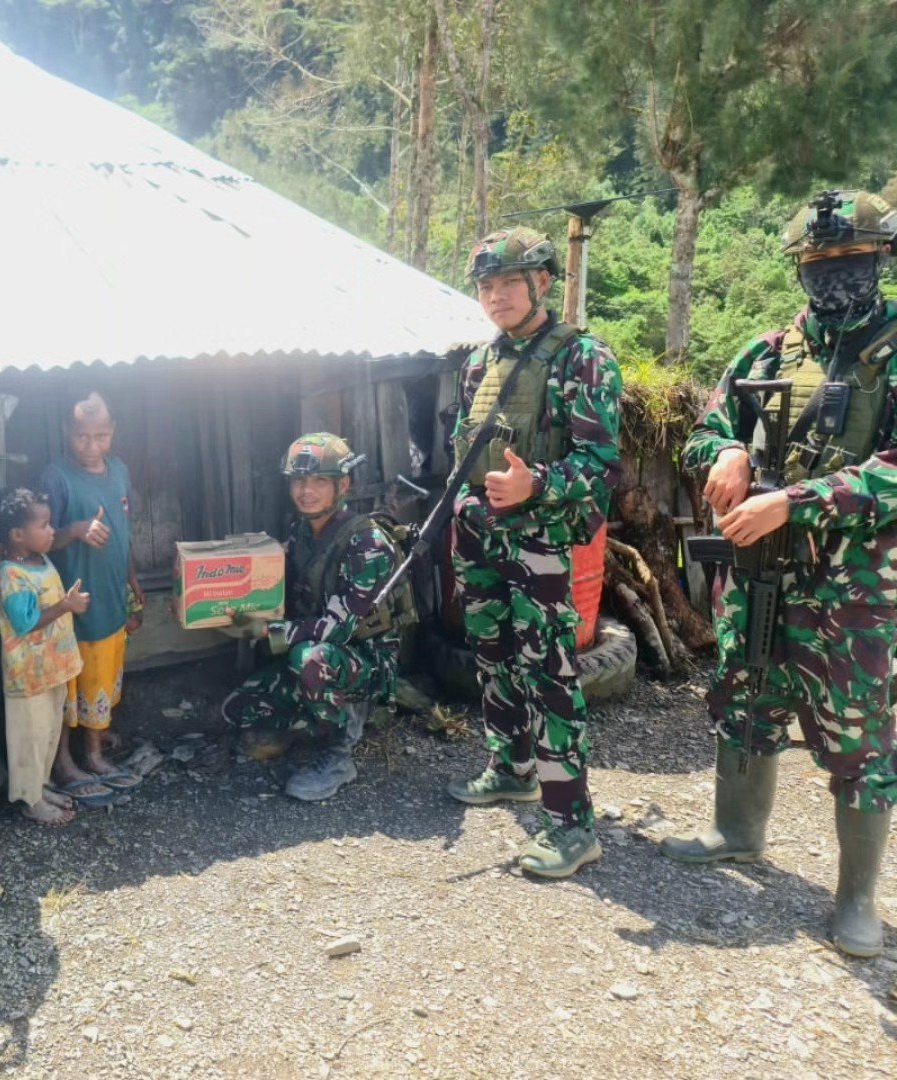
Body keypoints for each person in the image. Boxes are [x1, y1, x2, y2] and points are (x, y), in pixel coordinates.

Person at [663, 190, 897, 957]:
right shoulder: (765, 352)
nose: (835, 274)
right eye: (819, 262)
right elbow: (705, 430)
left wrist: (796, 501)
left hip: (855, 587)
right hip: (762, 571)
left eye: (851, 259)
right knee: (745, 694)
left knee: (859, 735)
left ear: (881, 258)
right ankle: (737, 831)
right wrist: (725, 453)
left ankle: (857, 897)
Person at [443, 227, 623, 879]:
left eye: (509, 283)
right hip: (482, 534)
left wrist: (535, 485)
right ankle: (511, 767)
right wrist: (463, 501)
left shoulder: (583, 358)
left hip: (541, 537)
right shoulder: (478, 363)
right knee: (491, 653)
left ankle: (572, 824)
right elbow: (464, 446)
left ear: (542, 283)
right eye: (486, 286)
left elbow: (600, 464)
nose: (496, 296)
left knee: (548, 672)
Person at [220, 433, 399, 802]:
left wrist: (268, 631)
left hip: (363, 661)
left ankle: (338, 751)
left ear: (343, 485)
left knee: (310, 660)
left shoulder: (367, 545)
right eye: (299, 481)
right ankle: (312, 720)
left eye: (318, 481)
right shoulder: (301, 533)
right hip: (318, 653)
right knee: (239, 709)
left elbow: (338, 628)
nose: (306, 491)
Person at [40, 392, 144, 803]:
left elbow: (124, 530)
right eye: (83, 436)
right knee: (67, 680)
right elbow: (40, 540)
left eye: (101, 435)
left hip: (110, 594)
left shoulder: (119, 471)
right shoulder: (56, 477)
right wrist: (76, 529)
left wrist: (132, 578)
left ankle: (95, 753)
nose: (92, 445)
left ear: (112, 432)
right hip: (70, 601)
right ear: (69, 432)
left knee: (101, 675)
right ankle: (64, 761)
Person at [0, 487, 87, 826]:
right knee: (29, 739)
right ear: (17, 535)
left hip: (51, 668)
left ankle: (41, 787)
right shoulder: (11, 574)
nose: (52, 531)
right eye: (44, 525)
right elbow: (26, 623)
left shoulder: (40, 561)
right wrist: (65, 606)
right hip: (28, 674)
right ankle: (29, 800)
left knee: (48, 733)